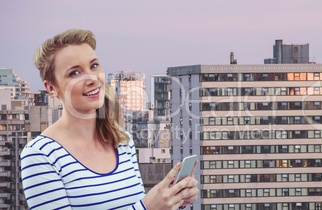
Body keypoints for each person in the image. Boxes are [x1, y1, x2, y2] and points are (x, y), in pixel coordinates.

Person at [20, 29, 199, 210]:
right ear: (51, 88)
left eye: (94, 66)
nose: (91, 78)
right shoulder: (40, 155)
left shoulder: (121, 141)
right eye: (74, 73)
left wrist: (172, 201)